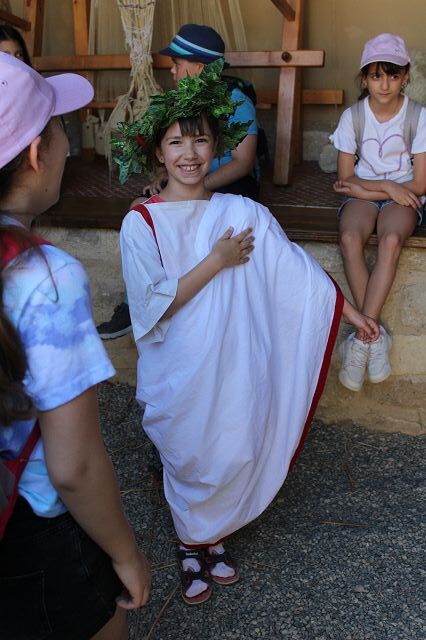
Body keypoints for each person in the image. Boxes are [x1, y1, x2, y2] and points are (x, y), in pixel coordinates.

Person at [115, 60, 379, 605]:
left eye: (201, 141)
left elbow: (291, 269)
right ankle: (191, 539)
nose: (190, 154)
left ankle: (212, 534)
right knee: (190, 449)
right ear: (158, 152)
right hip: (180, 366)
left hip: (233, 360)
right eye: (176, 142)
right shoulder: (141, 223)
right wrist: (216, 261)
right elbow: (153, 306)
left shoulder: (240, 211)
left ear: (217, 147)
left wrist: (349, 313)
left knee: (232, 443)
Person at [0, 54, 150, 639]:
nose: (69, 144)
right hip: (33, 531)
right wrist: (125, 553)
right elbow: (73, 467)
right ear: (38, 153)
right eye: (62, 128)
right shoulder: (47, 279)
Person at [97, 23, 259, 340]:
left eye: (177, 63)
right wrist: (165, 178)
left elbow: (243, 162)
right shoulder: (179, 102)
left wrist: (196, 185)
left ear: (199, 66)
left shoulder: (236, 101)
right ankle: (138, 300)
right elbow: (170, 151)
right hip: (192, 182)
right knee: (140, 207)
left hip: (226, 186)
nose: (172, 70)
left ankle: (166, 300)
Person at [331, 33, 426, 392]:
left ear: (405, 76)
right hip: (371, 194)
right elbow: (345, 179)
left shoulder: (418, 116)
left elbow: (420, 183)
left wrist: (380, 190)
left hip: (404, 197)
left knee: (389, 240)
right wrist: (388, 186)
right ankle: (375, 335)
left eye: (392, 75)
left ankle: (363, 337)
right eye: (375, 76)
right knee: (349, 237)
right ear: (364, 79)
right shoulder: (353, 117)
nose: (384, 84)